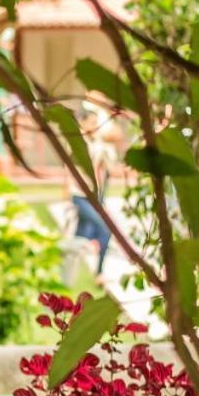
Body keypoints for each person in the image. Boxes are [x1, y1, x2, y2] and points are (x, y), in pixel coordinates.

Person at [70, 103, 120, 277]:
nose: (95, 127)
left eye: (96, 123)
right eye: (91, 122)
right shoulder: (78, 142)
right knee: (104, 230)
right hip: (80, 196)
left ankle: (94, 272)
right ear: (82, 123)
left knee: (79, 237)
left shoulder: (97, 142)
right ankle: (97, 273)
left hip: (94, 196)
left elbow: (109, 163)